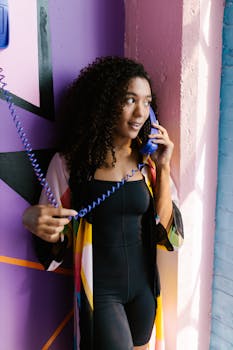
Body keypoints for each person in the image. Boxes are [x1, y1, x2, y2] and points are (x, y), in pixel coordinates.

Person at [22, 56, 183, 350]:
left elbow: (169, 234)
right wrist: (34, 220)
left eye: (147, 103)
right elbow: (55, 239)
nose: (140, 112)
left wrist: (163, 166)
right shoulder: (70, 164)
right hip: (101, 293)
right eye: (130, 100)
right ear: (106, 103)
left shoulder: (147, 164)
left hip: (145, 291)